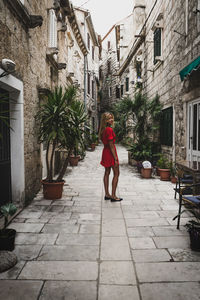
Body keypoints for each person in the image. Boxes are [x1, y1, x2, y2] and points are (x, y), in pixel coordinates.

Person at [99, 112, 123, 202]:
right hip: (110, 153)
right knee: (116, 173)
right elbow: (111, 145)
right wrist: (115, 158)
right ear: (105, 120)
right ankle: (113, 196)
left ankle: (107, 194)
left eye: (112, 118)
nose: (111, 120)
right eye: (109, 118)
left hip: (105, 152)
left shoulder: (103, 130)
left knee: (107, 172)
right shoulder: (109, 130)